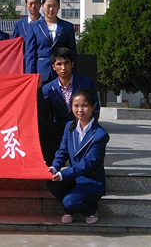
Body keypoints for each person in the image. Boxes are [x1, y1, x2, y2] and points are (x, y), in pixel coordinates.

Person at [47, 88, 109, 225]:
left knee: (69, 202)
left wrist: (63, 174)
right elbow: (62, 151)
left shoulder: (100, 134)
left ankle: (90, 209)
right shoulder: (69, 126)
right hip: (74, 178)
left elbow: (88, 163)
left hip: (90, 181)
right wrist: (55, 167)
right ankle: (71, 204)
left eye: (85, 106)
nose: (80, 110)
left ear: (93, 107)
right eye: (76, 106)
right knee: (51, 182)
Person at [40, 47, 98, 164]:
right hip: (57, 133)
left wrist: (88, 131)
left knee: (80, 167)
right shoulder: (47, 89)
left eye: (66, 63)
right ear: (53, 67)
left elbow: (95, 110)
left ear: (72, 64)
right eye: (59, 64)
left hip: (80, 130)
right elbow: (44, 114)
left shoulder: (86, 83)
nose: (63, 68)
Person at [25, 0, 77, 83]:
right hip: (41, 74)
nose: (51, 9)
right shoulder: (34, 27)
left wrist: (73, 73)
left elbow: (72, 52)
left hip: (62, 73)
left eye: (54, 6)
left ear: (59, 7)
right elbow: (30, 55)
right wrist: (31, 76)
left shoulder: (67, 27)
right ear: (42, 6)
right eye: (48, 6)